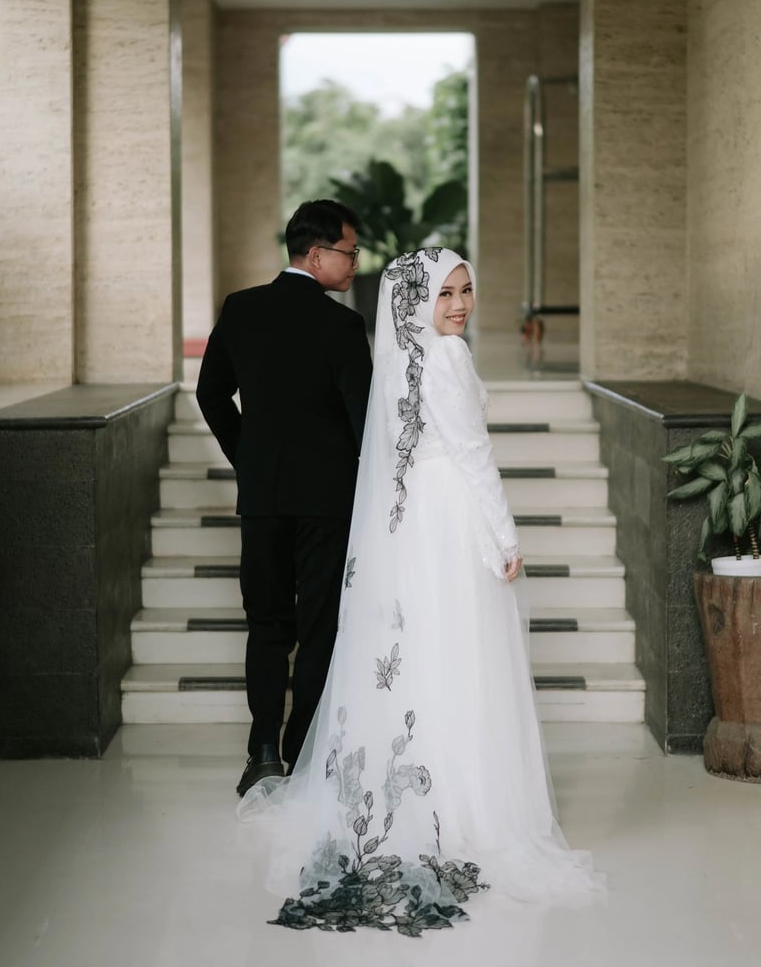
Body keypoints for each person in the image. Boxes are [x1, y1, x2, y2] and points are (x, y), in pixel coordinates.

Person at [237, 247, 604, 935]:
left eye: (466, 290)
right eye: (445, 294)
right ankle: (467, 809)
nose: (459, 305)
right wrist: (505, 536)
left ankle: (426, 795)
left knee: (423, 658)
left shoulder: (400, 358)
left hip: (412, 526)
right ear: (418, 301)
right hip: (453, 521)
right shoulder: (448, 357)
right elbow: (474, 455)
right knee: (460, 656)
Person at [196, 200, 373, 797]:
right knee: (320, 626)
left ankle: (263, 752)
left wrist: (247, 457)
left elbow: (211, 393)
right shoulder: (343, 326)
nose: (355, 263)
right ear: (317, 255)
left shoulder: (241, 309)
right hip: (329, 500)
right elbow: (364, 422)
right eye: (349, 252)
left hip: (264, 496)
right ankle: (302, 751)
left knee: (268, 624)